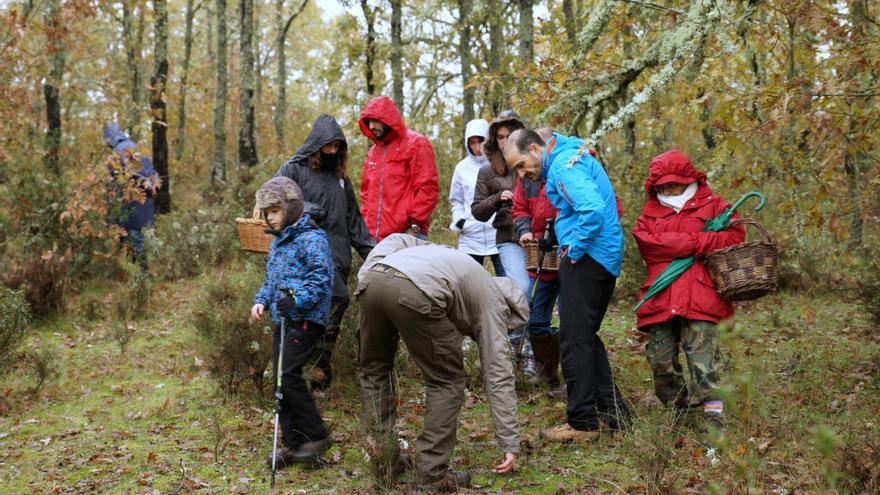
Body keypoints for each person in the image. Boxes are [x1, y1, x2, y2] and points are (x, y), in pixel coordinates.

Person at [356, 234, 527, 491]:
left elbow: (398, 238)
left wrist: (368, 272)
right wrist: (510, 443)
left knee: (374, 370)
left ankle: (383, 458)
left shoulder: (457, 262)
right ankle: (431, 478)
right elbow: (498, 373)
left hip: (372, 281)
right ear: (508, 309)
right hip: (416, 290)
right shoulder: (492, 302)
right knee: (447, 381)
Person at [503, 129, 631, 442]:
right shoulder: (569, 157)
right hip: (602, 254)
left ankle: (583, 422)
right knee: (585, 335)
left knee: (573, 340)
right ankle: (615, 414)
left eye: (521, 165)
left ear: (535, 149)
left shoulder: (562, 165)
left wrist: (573, 247)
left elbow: (592, 209)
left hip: (589, 256)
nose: (523, 174)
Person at [632, 150, 745, 420]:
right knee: (660, 362)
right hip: (661, 296)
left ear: (687, 178)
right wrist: (697, 243)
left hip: (702, 295)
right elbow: (648, 246)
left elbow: (735, 238)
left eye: (673, 182)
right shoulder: (649, 214)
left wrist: (687, 244)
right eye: (663, 185)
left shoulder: (716, 206)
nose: (668, 188)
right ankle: (679, 413)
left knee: (704, 365)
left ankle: (713, 421)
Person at [275, 114, 375, 390]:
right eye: (327, 145)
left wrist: (378, 255)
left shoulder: (341, 181)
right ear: (316, 143)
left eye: (337, 147)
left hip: (336, 257)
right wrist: (306, 210)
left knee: (334, 304)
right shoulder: (293, 170)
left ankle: (319, 366)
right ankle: (297, 368)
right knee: (323, 302)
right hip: (302, 256)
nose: (332, 152)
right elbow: (272, 199)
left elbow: (356, 225)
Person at [250, 177, 335, 467]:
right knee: (279, 380)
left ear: (290, 207)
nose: (270, 217)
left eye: (274, 210)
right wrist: (261, 299)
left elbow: (321, 280)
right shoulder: (278, 243)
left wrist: (297, 299)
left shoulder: (312, 238)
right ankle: (292, 442)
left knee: (287, 375)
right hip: (282, 318)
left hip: (306, 319)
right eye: (266, 212)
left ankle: (316, 435)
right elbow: (270, 281)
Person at [470, 110, 535, 375]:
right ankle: (515, 347)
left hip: (535, 237)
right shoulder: (487, 172)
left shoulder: (532, 163)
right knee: (520, 289)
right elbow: (477, 210)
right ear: (494, 141)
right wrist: (498, 198)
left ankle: (532, 352)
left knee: (538, 294)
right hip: (507, 237)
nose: (505, 141)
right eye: (500, 137)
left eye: (509, 136)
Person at [358, 96, 439, 241]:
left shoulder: (416, 143)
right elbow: (366, 194)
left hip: (407, 234)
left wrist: (415, 226)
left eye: (375, 120)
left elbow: (427, 189)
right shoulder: (373, 152)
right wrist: (365, 229)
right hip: (375, 239)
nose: (371, 126)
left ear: (388, 119)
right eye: (368, 121)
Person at [511, 173, 561, 391]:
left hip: (571, 255)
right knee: (536, 320)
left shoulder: (568, 170)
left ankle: (572, 375)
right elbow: (520, 209)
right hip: (540, 256)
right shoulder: (527, 179)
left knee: (572, 323)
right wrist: (524, 231)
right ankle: (547, 377)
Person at [448, 118, 504, 274]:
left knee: (509, 282)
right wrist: (460, 221)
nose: (477, 147)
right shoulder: (461, 168)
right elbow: (456, 200)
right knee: (468, 285)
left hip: (498, 236)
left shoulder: (501, 164)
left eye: (480, 141)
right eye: (472, 143)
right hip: (470, 238)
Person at [102, 123, 160, 267]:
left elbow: (115, 182)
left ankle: (141, 275)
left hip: (130, 202)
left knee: (133, 237)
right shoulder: (134, 147)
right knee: (136, 236)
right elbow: (151, 174)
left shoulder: (117, 152)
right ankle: (135, 273)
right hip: (142, 200)